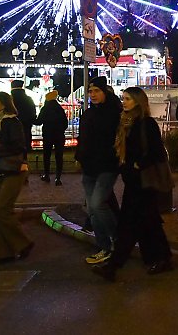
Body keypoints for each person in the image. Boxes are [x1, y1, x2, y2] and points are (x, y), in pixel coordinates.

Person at [92, 87, 173, 282]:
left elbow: (157, 152)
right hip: (133, 180)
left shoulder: (146, 124)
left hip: (143, 181)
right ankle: (161, 258)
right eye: (123, 98)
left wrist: (138, 165)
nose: (124, 102)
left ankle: (114, 266)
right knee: (149, 221)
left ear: (138, 101)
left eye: (128, 99)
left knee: (128, 225)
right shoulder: (125, 122)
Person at [0, 91, 34, 265]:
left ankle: (23, 243)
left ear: (4, 104)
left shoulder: (11, 122)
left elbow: (18, 145)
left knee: (1, 210)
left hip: (13, 170)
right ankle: (2, 252)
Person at [76, 76, 123, 265]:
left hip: (107, 166)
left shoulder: (114, 113)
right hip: (89, 167)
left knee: (97, 204)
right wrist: (80, 156)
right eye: (90, 91)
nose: (93, 95)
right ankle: (104, 246)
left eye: (97, 91)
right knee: (92, 209)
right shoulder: (88, 113)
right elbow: (83, 137)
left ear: (105, 92)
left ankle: (117, 238)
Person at [35, 89, 68, 185]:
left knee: (47, 155)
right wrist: (60, 130)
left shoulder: (45, 108)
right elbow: (65, 123)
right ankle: (58, 178)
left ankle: (47, 175)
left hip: (48, 134)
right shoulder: (59, 108)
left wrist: (31, 119)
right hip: (59, 135)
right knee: (59, 156)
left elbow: (39, 121)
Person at [10, 79, 36, 158]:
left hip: (12, 124)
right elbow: (32, 111)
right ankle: (24, 160)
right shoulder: (28, 99)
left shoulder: (9, 99)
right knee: (25, 139)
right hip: (26, 123)